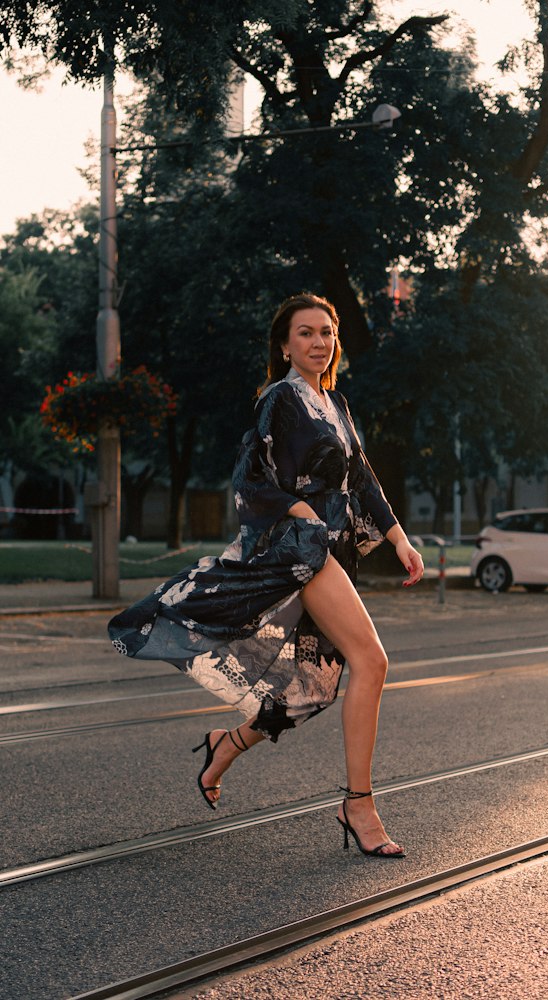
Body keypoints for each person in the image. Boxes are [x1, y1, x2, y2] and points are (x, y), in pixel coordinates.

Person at [109, 292, 423, 859]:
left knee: (312, 687)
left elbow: (364, 478)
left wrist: (399, 538)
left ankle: (223, 746)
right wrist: (301, 514)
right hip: (299, 550)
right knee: (372, 662)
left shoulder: (337, 403)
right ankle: (358, 804)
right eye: (305, 333)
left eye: (326, 333)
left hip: (329, 553)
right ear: (285, 345)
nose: (318, 343)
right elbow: (250, 479)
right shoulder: (280, 399)